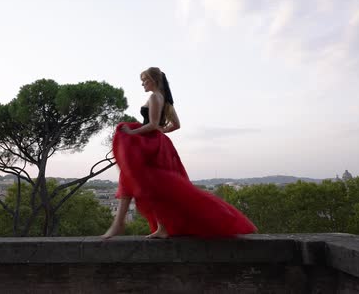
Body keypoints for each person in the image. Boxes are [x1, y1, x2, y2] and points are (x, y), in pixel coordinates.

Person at [101, 67, 257, 239]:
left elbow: (152, 124)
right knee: (155, 185)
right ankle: (157, 227)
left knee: (135, 178)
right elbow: (175, 125)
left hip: (151, 143)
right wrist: (162, 132)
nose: (142, 84)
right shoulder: (166, 100)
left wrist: (133, 133)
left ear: (154, 80)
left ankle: (121, 223)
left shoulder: (154, 97)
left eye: (145, 80)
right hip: (160, 144)